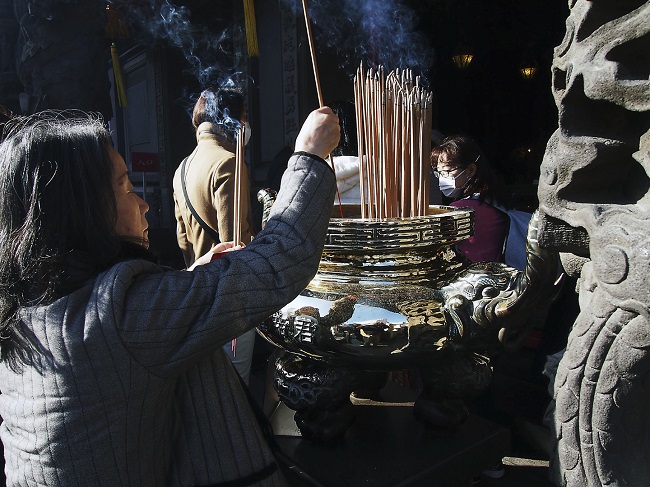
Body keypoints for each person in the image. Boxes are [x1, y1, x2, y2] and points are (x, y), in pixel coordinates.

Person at [0, 107, 340, 486]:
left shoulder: (26, 312)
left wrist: (188, 282)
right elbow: (278, 261)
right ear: (81, 212)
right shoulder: (123, 314)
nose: (143, 203)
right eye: (126, 187)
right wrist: (309, 155)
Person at [172, 87, 256, 385]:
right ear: (230, 119)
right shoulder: (228, 162)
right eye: (244, 117)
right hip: (229, 305)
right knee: (237, 391)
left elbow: (183, 240)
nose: (246, 126)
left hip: (197, 297)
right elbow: (235, 245)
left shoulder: (181, 169)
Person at [431, 135, 511, 263]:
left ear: (471, 170)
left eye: (447, 171)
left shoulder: (460, 209)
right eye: (439, 173)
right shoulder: (494, 200)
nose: (442, 178)